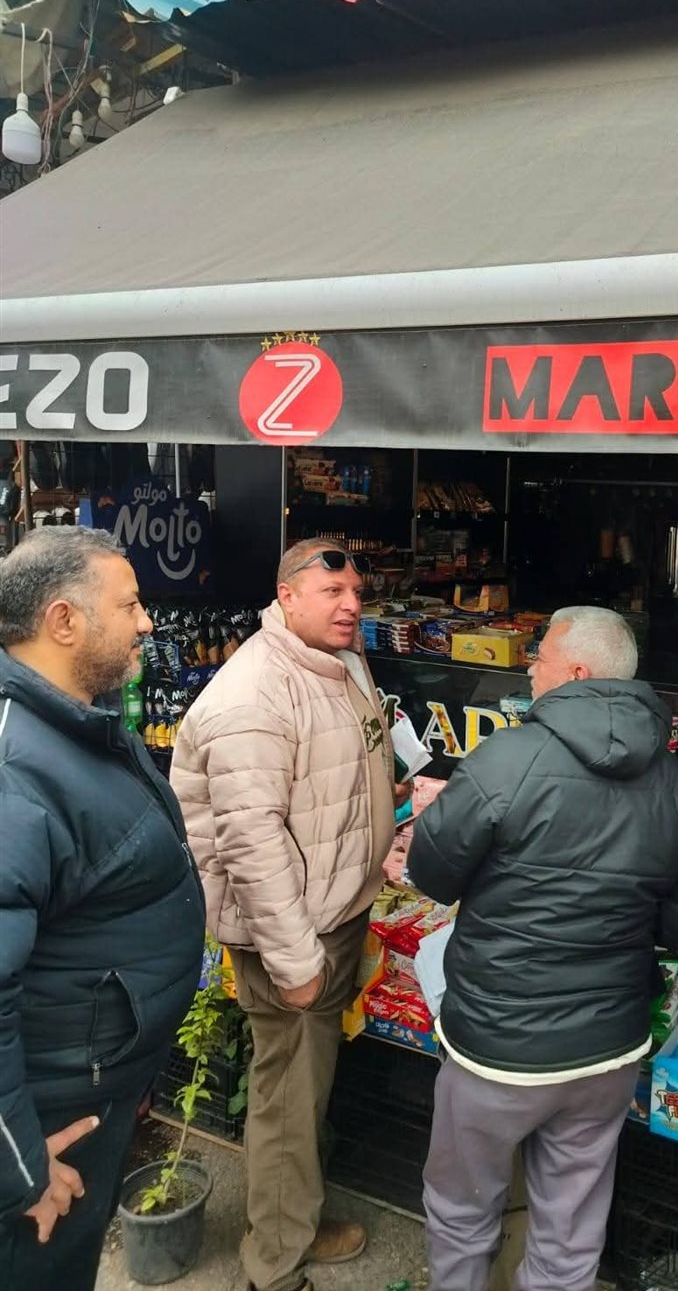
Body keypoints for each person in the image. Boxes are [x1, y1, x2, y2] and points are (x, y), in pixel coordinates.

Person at [407, 605, 678, 1291]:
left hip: (498, 1044)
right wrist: (629, 933)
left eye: (540, 655)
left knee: (462, 1211)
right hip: (607, 1048)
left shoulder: (506, 759)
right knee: (570, 1232)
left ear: (577, 672)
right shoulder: (674, 782)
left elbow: (431, 872)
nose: (530, 666)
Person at [170, 540, 400, 1291]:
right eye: (333, 592)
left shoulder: (337, 661)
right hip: (294, 936)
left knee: (306, 1091)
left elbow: (338, 771)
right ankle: (273, 1264)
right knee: (287, 1099)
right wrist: (297, 960)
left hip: (334, 914)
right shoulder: (254, 695)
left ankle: (294, 1217)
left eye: (357, 591)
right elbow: (252, 845)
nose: (352, 605)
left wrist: (388, 805)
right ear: (287, 596)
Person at [0, 527, 204, 1291]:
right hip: (50, 1121)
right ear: (64, 621)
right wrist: (17, 1167)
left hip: (96, 1084)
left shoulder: (79, 720)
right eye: (130, 604)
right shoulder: (15, 768)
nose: (147, 622)